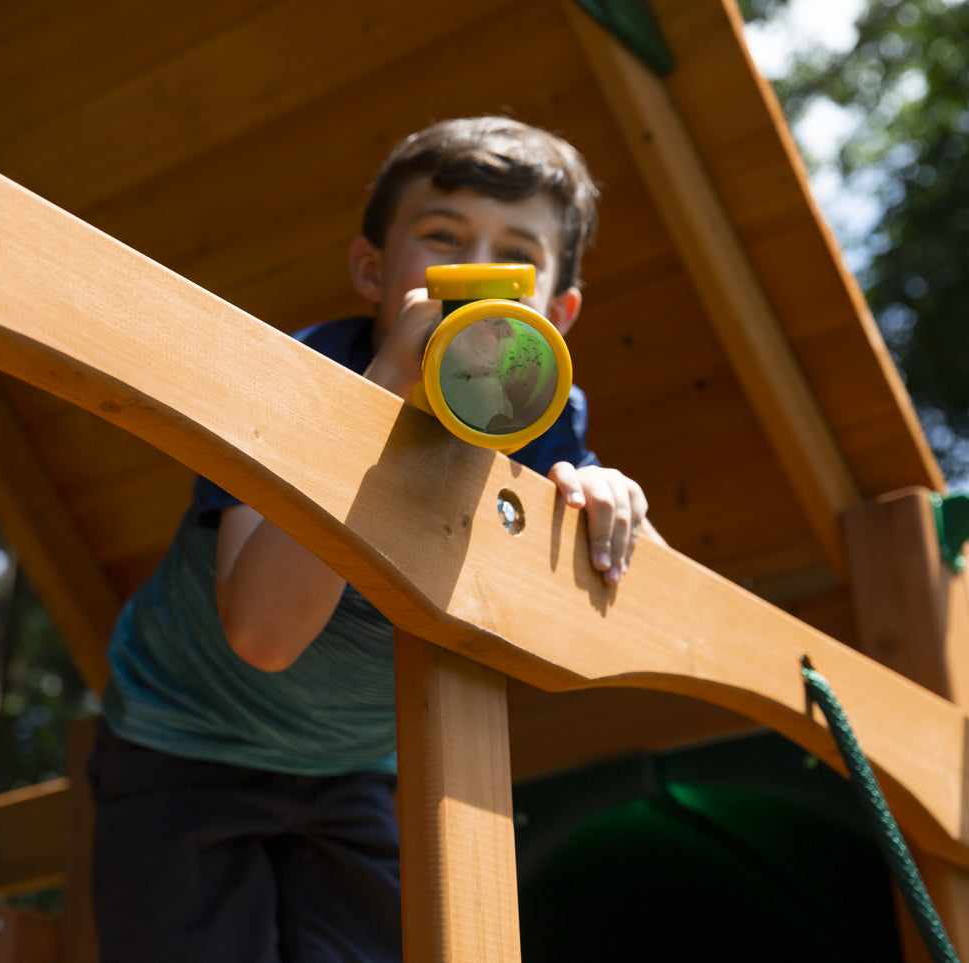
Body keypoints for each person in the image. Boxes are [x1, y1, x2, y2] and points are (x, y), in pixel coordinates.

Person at [87, 115, 659, 962]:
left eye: (517, 259)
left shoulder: (543, 423)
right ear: (371, 269)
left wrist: (603, 493)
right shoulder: (295, 375)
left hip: (354, 766)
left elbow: (562, 600)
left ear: (559, 311)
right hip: (184, 738)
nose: (480, 278)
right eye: (443, 238)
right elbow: (264, 633)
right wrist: (387, 381)